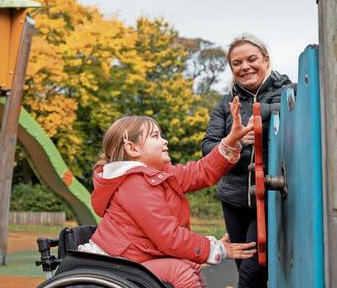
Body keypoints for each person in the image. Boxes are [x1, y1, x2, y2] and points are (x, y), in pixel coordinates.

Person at [78, 96, 256, 288]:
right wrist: (217, 248)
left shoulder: (160, 175)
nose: (164, 140)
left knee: (189, 264)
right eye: (155, 136)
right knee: (180, 272)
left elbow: (201, 172)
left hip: (137, 257)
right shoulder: (133, 183)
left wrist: (231, 141)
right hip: (118, 263)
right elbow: (169, 237)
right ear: (132, 148)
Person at [201, 33, 293, 288]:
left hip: (274, 194)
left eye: (251, 59)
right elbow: (208, 148)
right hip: (235, 198)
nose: (245, 67)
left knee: (253, 272)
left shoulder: (287, 92)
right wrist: (237, 142)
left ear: (265, 59)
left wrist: (262, 113)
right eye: (237, 63)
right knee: (245, 268)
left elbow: (295, 114)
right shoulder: (225, 103)